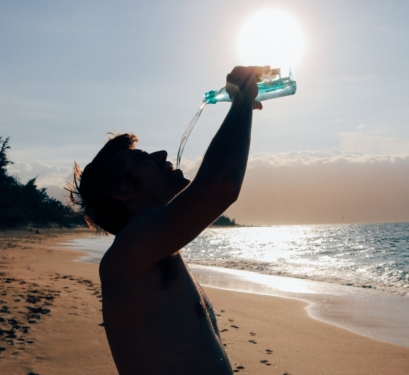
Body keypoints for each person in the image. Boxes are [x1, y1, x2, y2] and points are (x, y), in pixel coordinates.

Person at [68, 66, 269, 374]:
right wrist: (241, 102)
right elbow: (220, 187)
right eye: (142, 158)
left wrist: (242, 105)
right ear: (123, 189)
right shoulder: (129, 253)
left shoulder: (155, 250)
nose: (161, 153)